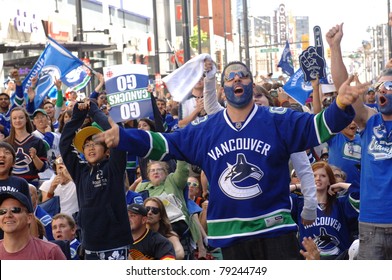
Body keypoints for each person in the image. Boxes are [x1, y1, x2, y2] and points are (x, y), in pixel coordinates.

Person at [95, 60, 364, 260]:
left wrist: (341, 106)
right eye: (231, 77)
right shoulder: (205, 129)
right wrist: (125, 137)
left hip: (275, 230)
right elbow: (166, 143)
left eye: (243, 76)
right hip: (231, 234)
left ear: (250, 82)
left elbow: (318, 127)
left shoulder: (278, 119)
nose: (237, 80)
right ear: (224, 88)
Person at [327, 22, 392, 259]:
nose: (382, 92)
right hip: (371, 223)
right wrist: (335, 48)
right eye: (379, 87)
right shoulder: (370, 120)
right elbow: (343, 90)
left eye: (389, 86)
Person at [59, 100, 132, 260]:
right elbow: (64, 144)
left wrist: (94, 111)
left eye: (96, 144)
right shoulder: (80, 171)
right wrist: (78, 115)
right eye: (86, 145)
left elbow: (116, 132)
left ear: (107, 151)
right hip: (89, 244)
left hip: (115, 242)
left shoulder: (114, 167)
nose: (90, 148)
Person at [291, 161, 359, 259]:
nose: (318, 178)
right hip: (309, 258)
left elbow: (361, 194)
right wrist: (299, 186)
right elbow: (278, 194)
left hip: (338, 258)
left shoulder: (341, 203)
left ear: (329, 180)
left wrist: (340, 184)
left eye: (323, 176)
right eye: (314, 176)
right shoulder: (300, 203)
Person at [0, 191, 66, 259]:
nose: (7, 215)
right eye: (2, 211)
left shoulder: (50, 252)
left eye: (15, 210)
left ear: (29, 218)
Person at [5, 107, 48, 187]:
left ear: (26, 119)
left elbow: (42, 168)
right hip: (10, 183)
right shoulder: (6, 143)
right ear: (11, 121)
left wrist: (34, 157)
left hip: (31, 183)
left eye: (21, 117)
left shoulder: (37, 141)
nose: (18, 120)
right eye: (14, 118)